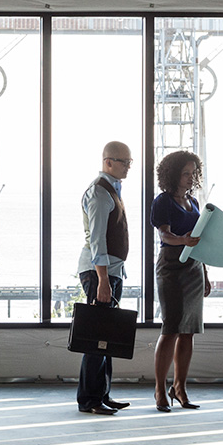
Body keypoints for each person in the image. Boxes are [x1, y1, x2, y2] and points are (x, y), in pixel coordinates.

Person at [76, 141, 134, 415]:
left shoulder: (111, 190)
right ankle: (89, 399)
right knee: (96, 338)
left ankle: (102, 394)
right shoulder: (100, 193)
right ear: (108, 162)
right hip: (100, 272)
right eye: (124, 162)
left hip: (110, 272)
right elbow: (97, 240)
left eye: (129, 162)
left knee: (106, 338)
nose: (128, 167)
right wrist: (102, 281)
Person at [150, 150, 211, 412]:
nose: (190, 177)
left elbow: (199, 241)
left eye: (193, 173)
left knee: (189, 331)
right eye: (186, 173)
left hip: (194, 268)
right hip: (171, 267)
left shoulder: (195, 203)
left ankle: (180, 388)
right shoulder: (162, 201)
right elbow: (165, 236)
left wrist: (206, 273)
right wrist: (183, 239)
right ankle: (160, 390)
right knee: (171, 328)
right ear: (173, 174)